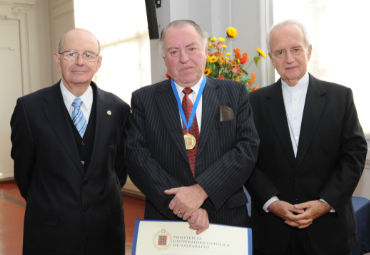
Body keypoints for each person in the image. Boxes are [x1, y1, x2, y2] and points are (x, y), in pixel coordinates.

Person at [126, 20, 259, 234]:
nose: (184, 58)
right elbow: (137, 158)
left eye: (191, 48)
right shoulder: (144, 100)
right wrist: (184, 206)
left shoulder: (235, 93)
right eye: (173, 51)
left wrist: (202, 191)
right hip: (167, 219)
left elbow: (247, 149)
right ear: (164, 58)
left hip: (226, 217)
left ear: (206, 50)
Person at [247, 20, 368, 254]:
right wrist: (272, 203)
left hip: (329, 231)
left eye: (295, 49)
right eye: (280, 52)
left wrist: (325, 203)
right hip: (273, 232)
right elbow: (248, 160)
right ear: (271, 58)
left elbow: (354, 156)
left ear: (309, 51)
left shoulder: (340, 97)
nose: (289, 59)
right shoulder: (254, 102)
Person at [10, 28, 130, 254]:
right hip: (49, 235)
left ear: (98, 62)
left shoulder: (119, 110)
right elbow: (24, 173)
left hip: (105, 234)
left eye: (88, 55)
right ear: (58, 59)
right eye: (71, 53)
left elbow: (119, 170)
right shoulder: (30, 109)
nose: (79, 61)